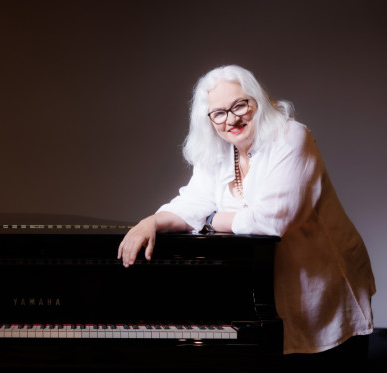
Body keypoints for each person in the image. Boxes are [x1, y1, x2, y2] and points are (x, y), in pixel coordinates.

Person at [117, 65, 376, 370]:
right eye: (219, 113)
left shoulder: (291, 136)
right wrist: (153, 222)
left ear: (258, 101)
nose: (232, 119)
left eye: (240, 105)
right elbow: (193, 202)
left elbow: (272, 221)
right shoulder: (220, 151)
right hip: (271, 289)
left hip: (323, 287)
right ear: (210, 120)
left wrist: (214, 218)